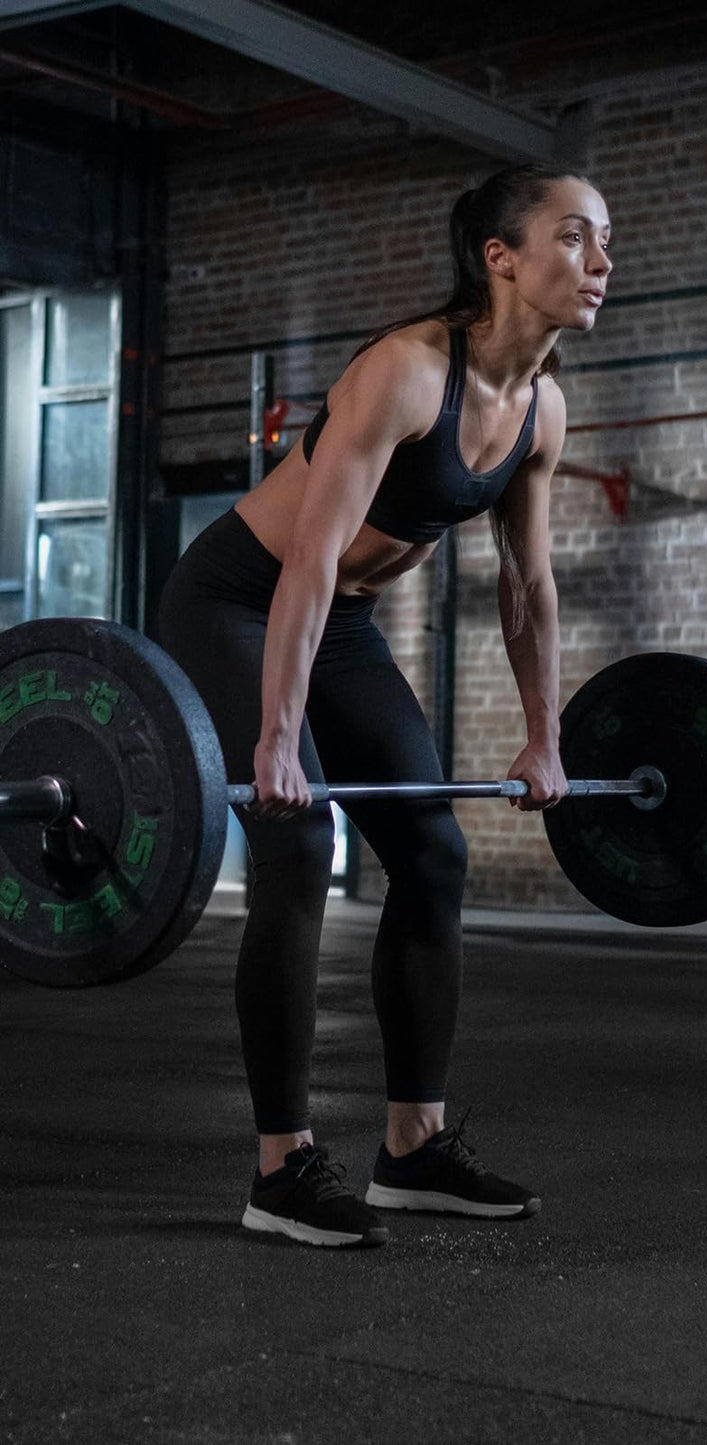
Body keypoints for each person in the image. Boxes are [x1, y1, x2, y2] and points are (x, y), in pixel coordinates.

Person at [157, 164, 612, 1248]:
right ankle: (279, 1166)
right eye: (573, 237)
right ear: (500, 257)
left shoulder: (540, 406)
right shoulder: (404, 373)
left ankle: (413, 1145)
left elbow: (526, 584)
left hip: (342, 623)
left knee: (433, 851)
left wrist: (546, 733)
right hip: (236, 597)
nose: (599, 262)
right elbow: (307, 559)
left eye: (605, 241)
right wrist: (275, 736)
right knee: (295, 832)